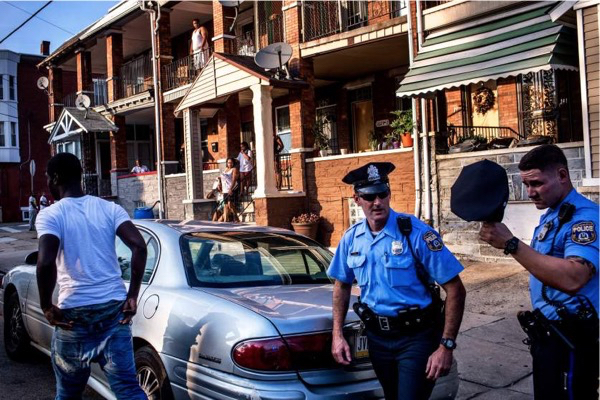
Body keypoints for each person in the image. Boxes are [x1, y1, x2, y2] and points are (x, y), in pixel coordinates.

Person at [328, 162, 466, 400]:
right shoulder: (352, 238)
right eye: (369, 196)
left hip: (417, 338)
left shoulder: (416, 233)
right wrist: (337, 335)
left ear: (389, 194)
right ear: (357, 200)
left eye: (383, 193)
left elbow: (456, 290)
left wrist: (446, 346)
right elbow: (341, 285)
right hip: (378, 339)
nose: (377, 202)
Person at [479, 144, 598, 400]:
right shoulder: (553, 213)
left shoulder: (584, 218)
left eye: (536, 184)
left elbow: (574, 277)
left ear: (562, 176)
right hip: (549, 334)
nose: (530, 193)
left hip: (573, 336)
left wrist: (511, 244)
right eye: (526, 185)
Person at [35, 152, 148, 399]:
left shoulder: (51, 215)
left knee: (69, 394)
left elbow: (44, 263)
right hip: (113, 312)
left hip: (73, 316)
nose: (47, 183)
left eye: (47, 178)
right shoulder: (110, 208)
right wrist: (133, 296)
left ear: (55, 178)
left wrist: (46, 306)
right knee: (128, 390)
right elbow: (139, 246)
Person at [220, 157, 239, 222]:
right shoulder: (225, 169)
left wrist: (231, 189)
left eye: (231, 162)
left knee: (230, 204)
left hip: (231, 188)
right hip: (225, 189)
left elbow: (234, 180)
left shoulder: (234, 169)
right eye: (228, 162)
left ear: (233, 163)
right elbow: (223, 179)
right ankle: (225, 220)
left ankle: (236, 217)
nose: (229, 164)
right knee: (225, 205)